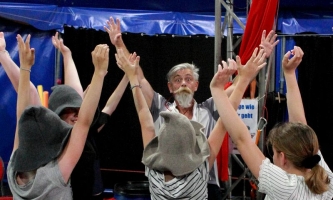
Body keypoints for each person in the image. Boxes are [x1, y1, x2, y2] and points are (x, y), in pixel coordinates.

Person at [104, 16, 279, 199]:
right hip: (166, 179)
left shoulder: (208, 107)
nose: (183, 83)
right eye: (177, 80)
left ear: (196, 85)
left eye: (188, 79)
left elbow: (238, 84)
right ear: (170, 87)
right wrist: (119, 45)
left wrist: (261, 55)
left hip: (205, 182)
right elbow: (137, 75)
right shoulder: (160, 106)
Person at [210, 46, 333, 199]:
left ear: (283, 158)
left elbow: (242, 139)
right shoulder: (324, 176)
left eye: (273, 153)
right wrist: (289, 73)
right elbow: (301, 125)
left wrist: (216, 90)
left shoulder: (286, 186)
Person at [6, 33, 109, 199]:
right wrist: (99, 72)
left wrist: (24, 67)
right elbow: (84, 122)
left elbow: (21, 116)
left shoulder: (12, 171)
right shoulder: (54, 176)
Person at [51, 32, 130, 199]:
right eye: (68, 111)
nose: (75, 115)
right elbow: (76, 94)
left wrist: (127, 77)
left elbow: (110, 105)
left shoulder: (88, 131)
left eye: (78, 111)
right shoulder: (54, 139)